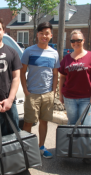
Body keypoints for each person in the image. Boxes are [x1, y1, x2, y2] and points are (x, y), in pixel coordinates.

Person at [21, 22, 60, 159]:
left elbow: (55, 74)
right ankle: (26, 149)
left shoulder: (54, 53)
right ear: (37, 34)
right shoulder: (29, 51)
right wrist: (26, 91)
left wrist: (53, 92)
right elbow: (22, 72)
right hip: (32, 94)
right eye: (41, 33)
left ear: (51, 35)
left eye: (47, 33)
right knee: (28, 122)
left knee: (44, 121)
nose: (44, 36)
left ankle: (41, 147)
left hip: (47, 94)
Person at [58, 29, 91, 126]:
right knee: (72, 124)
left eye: (78, 40)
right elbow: (62, 77)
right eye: (73, 41)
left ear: (83, 40)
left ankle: (85, 142)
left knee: (87, 124)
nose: (76, 43)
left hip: (87, 97)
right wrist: (60, 94)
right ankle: (74, 142)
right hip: (69, 97)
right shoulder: (66, 58)